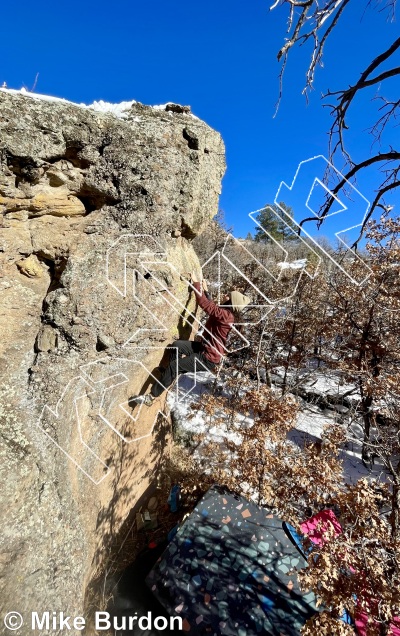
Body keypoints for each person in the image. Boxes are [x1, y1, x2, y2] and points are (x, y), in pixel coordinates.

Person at [131, 271, 251, 406]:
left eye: (228, 296)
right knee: (176, 345)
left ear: (230, 302)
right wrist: (206, 292)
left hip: (208, 358)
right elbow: (212, 307)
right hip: (204, 348)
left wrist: (196, 283)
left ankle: (150, 398)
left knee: (175, 366)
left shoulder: (227, 316)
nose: (225, 295)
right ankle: (168, 374)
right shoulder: (226, 314)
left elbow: (205, 305)